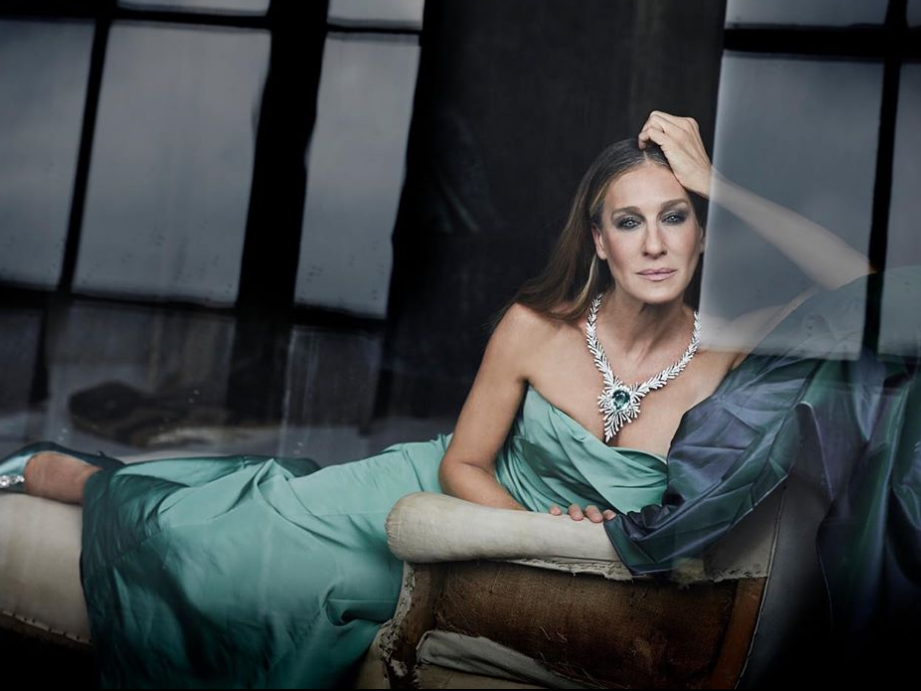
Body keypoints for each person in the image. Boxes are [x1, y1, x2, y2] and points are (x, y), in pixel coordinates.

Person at [0, 111, 892, 687]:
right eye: (630, 221)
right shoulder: (534, 326)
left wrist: (718, 181)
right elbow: (464, 462)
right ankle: (73, 476)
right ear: (599, 241)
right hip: (433, 497)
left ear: (699, 233)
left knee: (266, 589)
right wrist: (531, 527)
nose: (654, 244)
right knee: (209, 540)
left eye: (676, 215)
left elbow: (870, 287)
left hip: (470, 555)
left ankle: (109, 480)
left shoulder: (735, 350)